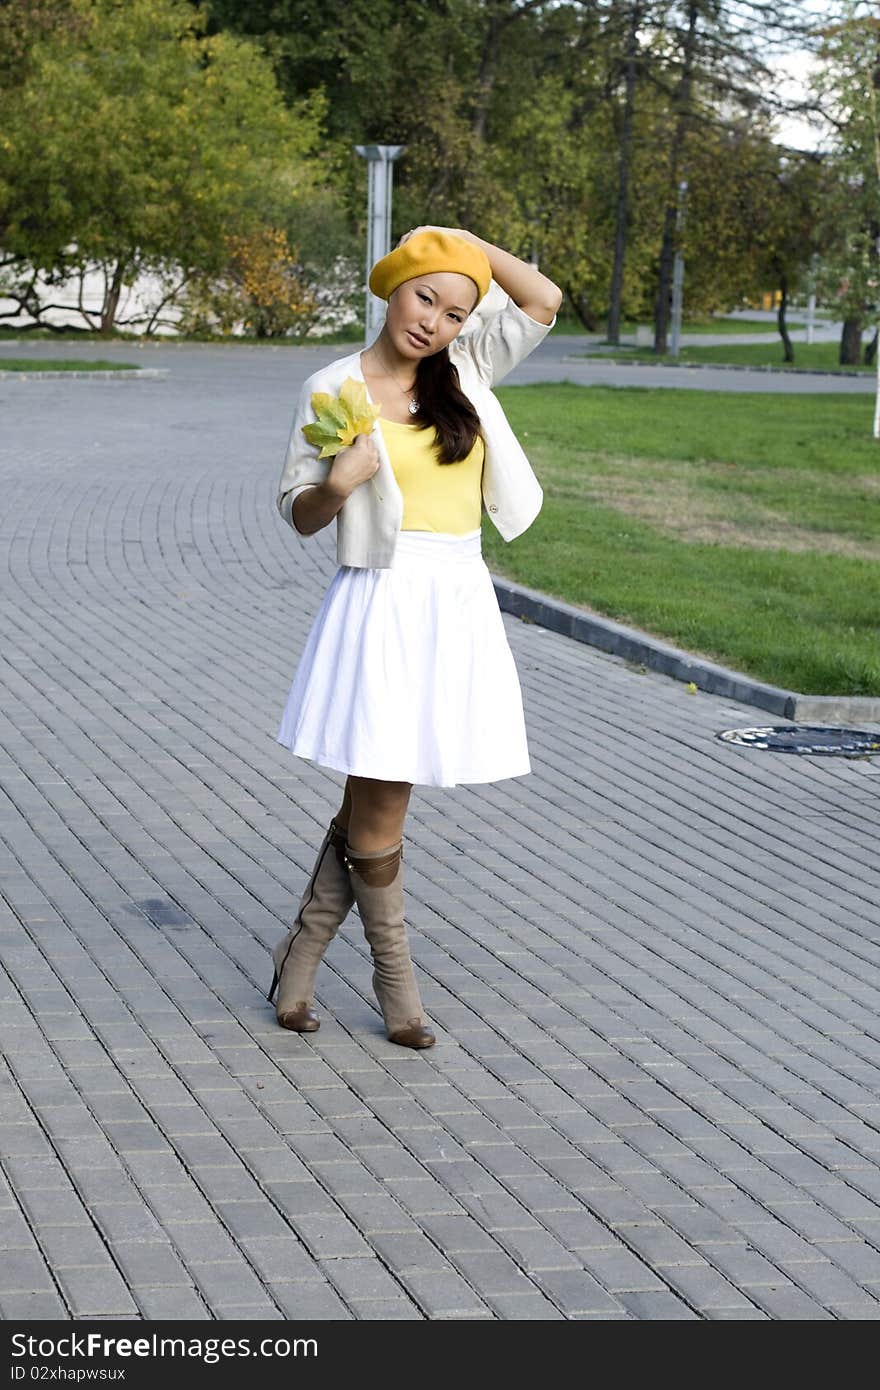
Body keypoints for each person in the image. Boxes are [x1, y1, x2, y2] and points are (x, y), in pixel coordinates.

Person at [269, 225, 562, 1049]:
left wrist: (469, 245)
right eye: (425, 295)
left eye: (455, 310)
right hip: (380, 602)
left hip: (456, 598)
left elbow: (542, 300)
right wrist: (338, 483)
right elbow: (297, 513)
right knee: (386, 794)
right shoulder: (334, 387)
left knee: (375, 792)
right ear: (394, 289)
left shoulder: (464, 370)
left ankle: (298, 963)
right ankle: (397, 986)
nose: (433, 320)